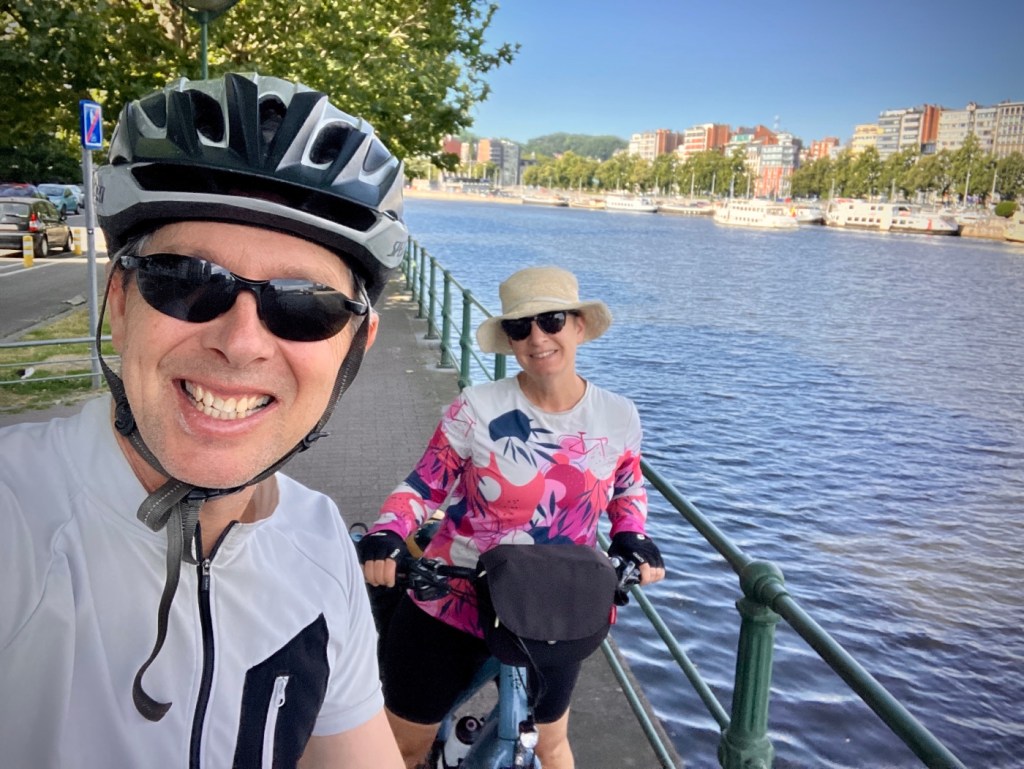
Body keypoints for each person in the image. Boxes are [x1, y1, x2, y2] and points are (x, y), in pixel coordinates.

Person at [0, 73, 407, 768]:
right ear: (120, 300)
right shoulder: (16, 519)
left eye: (305, 303)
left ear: (354, 347)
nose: (241, 343)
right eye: (187, 279)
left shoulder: (320, 543)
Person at [359, 265, 667, 769]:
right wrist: (387, 532)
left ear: (578, 326)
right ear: (510, 340)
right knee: (402, 748)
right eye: (521, 327)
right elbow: (424, 485)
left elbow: (627, 487)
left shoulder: (618, 416)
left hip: (554, 608)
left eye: (552, 320)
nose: (538, 338)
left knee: (551, 746)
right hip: (454, 598)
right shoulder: (476, 408)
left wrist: (632, 535)